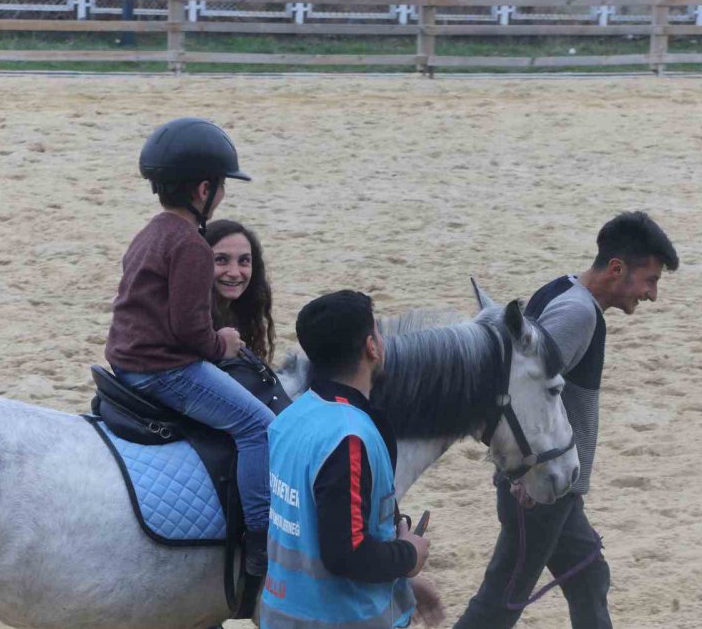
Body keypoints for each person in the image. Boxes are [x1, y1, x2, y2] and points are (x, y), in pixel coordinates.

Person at [453, 211, 680, 629]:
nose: (652, 295)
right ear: (617, 269)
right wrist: (524, 478)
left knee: (590, 576)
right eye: (650, 280)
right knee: (500, 602)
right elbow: (525, 392)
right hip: (540, 487)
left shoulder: (562, 289)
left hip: (556, 485)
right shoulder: (579, 315)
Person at [104, 117, 273, 576]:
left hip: (126, 365)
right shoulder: (192, 247)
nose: (221, 196)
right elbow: (189, 334)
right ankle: (261, 538)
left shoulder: (150, 232)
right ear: (203, 190)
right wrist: (224, 342)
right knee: (261, 427)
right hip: (166, 371)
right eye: (221, 188)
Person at [261, 290, 444, 628]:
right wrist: (409, 556)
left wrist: (401, 581)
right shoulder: (350, 437)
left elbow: (314, 527)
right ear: (372, 348)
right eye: (377, 331)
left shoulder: (292, 417)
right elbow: (346, 552)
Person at [203, 219, 276, 363]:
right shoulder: (188, 324)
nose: (235, 273)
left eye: (244, 261)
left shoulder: (244, 312)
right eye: (221, 260)